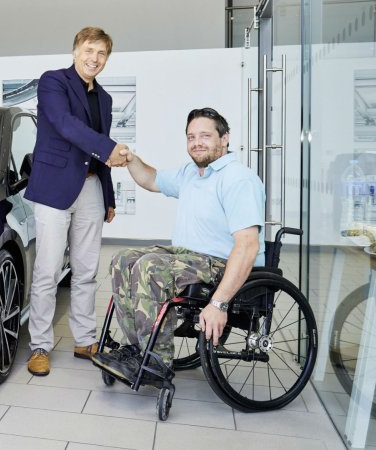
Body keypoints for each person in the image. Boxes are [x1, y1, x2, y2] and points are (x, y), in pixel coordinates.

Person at [91, 107, 265, 385]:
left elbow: (247, 246)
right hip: (188, 257)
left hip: (220, 262)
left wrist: (218, 304)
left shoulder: (239, 179)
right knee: (122, 259)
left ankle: (156, 362)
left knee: (149, 268)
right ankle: (136, 348)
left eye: (205, 136)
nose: (196, 142)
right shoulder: (192, 173)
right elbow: (151, 179)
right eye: (191, 137)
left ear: (224, 139)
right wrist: (131, 159)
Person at [24, 26, 129, 376]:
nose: (94, 59)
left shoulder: (105, 99)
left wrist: (108, 195)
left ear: (107, 58)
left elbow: (101, 154)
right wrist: (109, 148)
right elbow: (65, 124)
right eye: (89, 50)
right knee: (48, 270)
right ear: (75, 52)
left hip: (91, 189)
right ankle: (40, 345)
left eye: (101, 53)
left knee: (86, 271)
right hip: (54, 188)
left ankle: (84, 340)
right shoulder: (53, 81)